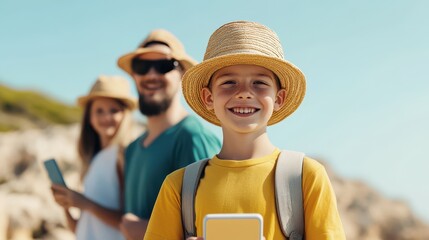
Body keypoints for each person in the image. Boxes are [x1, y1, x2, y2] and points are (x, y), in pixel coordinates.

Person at [144, 21, 346, 240]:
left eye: (259, 83)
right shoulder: (178, 187)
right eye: (229, 82)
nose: (244, 93)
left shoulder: (305, 176)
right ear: (208, 97)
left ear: (279, 98)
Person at [116, 29, 221, 239]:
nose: (151, 75)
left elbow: (213, 229)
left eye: (164, 66)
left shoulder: (192, 137)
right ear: (134, 75)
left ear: (182, 74)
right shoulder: (132, 149)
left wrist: (146, 231)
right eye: (142, 67)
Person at [51, 75, 137, 240]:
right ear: (89, 117)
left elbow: (128, 222)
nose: (106, 117)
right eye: (99, 111)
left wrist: (85, 204)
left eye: (113, 110)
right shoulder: (93, 159)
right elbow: (80, 229)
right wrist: (66, 205)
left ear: (125, 114)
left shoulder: (124, 156)